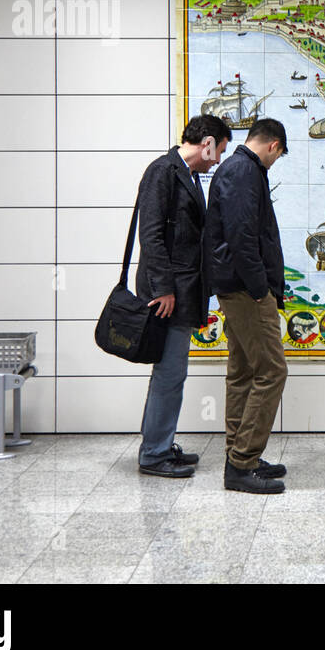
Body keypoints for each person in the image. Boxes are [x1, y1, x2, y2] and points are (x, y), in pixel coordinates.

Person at [135, 114, 230, 479]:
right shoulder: (163, 172)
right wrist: (163, 289)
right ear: (206, 142)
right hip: (168, 296)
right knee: (170, 374)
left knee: (169, 374)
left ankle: (159, 444)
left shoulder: (185, 175)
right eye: (218, 150)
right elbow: (152, 235)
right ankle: (154, 454)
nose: (218, 159)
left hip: (182, 292)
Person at [202, 117, 290, 494]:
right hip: (245, 291)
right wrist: (260, 290)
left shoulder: (237, 168)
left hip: (235, 288)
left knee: (241, 373)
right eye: (280, 155)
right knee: (272, 371)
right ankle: (241, 464)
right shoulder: (243, 171)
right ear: (273, 145)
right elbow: (242, 237)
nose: (276, 160)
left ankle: (240, 457)